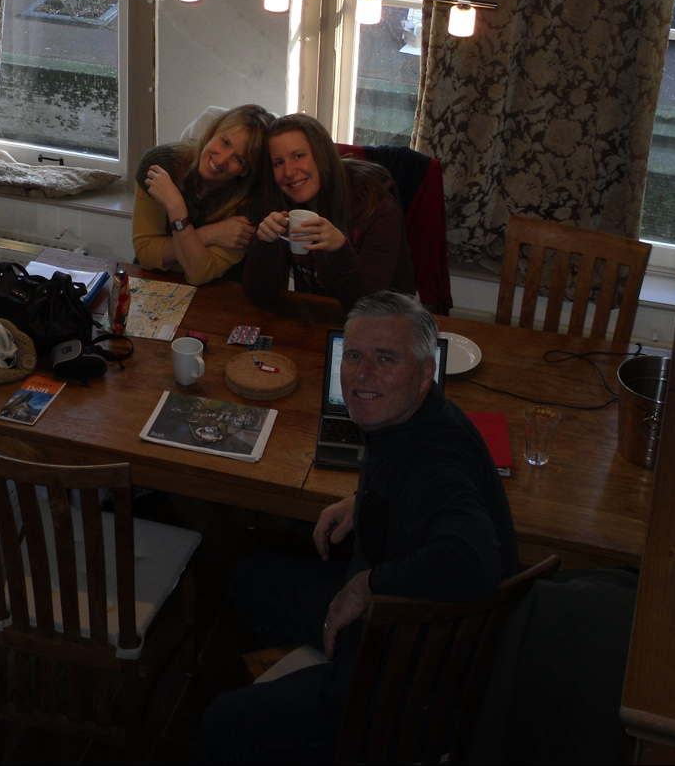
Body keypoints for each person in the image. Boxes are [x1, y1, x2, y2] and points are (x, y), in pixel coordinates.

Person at [192, 292, 517, 764]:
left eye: (385, 359)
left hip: (411, 664)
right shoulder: (410, 416)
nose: (362, 374)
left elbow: (474, 561)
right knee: (252, 578)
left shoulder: (437, 461)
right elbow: (410, 492)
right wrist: (364, 503)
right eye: (355, 356)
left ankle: (339, 715)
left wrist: (365, 587)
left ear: (426, 373)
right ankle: (316, 687)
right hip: (395, 610)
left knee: (222, 722)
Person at [242, 113, 414, 310]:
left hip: (393, 319)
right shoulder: (283, 204)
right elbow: (259, 296)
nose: (288, 172)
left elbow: (367, 309)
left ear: (322, 156)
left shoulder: (376, 208)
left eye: (298, 156)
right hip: (320, 317)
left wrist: (340, 249)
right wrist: (263, 243)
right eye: (278, 163)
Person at [132, 104, 275, 285]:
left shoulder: (252, 202)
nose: (222, 159)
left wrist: (176, 213)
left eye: (238, 159)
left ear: (246, 170)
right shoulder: (161, 164)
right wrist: (209, 233)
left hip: (215, 298)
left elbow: (199, 274)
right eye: (225, 142)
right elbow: (145, 254)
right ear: (212, 132)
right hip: (152, 285)